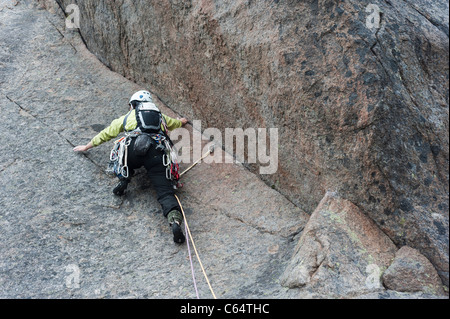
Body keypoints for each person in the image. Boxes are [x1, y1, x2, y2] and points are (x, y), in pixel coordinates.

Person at [74, 90, 188, 244]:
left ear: (134, 104)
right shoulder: (160, 117)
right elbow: (176, 123)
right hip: (157, 153)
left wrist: (87, 146)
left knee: (121, 151)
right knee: (165, 191)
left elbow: (107, 133)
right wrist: (182, 121)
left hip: (133, 149)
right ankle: (174, 221)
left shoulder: (128, 117)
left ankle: (124, 177)